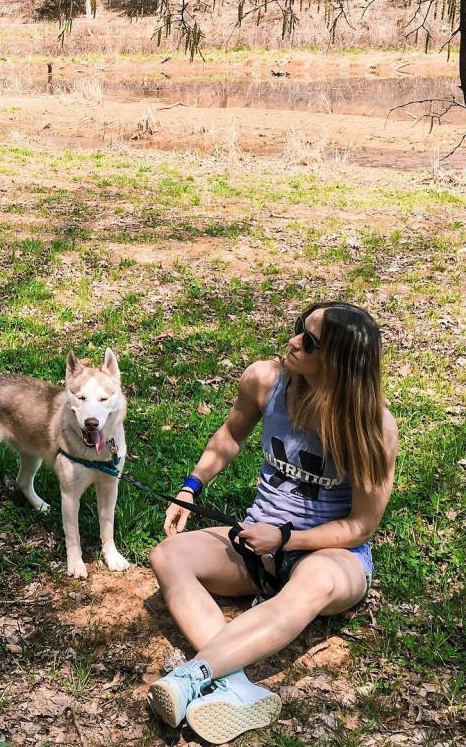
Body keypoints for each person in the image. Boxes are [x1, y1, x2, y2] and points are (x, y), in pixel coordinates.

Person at [146, 302, 399, 744]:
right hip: (259, 538)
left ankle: (194, 675)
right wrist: (191, 487)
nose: (294, 340)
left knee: (315, 581)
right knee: (168, 555)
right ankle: (235, 683)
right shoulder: (265, 380)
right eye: (299, 328)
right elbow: (229, 436)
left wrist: (287, 539)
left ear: (339, 363)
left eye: (311, 341)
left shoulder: (372, 427)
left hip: (330, 556)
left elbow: (361, 526)